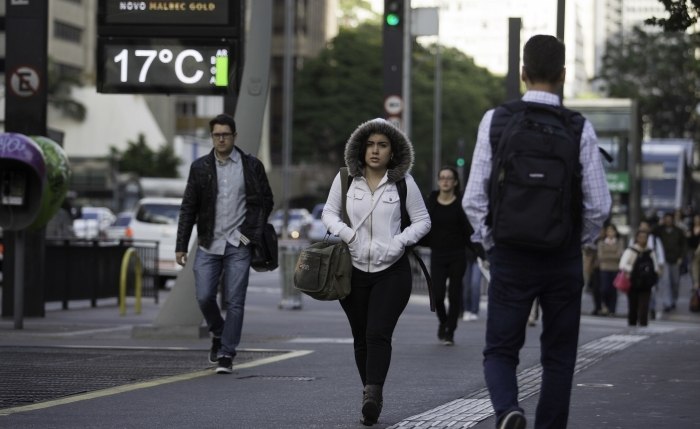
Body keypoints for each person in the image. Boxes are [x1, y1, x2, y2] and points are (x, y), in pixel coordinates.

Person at [463, 35, 611, 429]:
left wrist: (494, 241)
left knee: (500, 350)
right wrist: (575, 240)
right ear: (563, 75)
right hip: (561, 257)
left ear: (523, 73)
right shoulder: (578, 126)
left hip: (510, 254)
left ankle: (509, 410)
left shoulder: (496, 120)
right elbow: (599, 205)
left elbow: (473, 199)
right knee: (559, 356)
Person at [322, 118, 430, 426]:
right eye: (370, 144)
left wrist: (398, 243)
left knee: (377, 333)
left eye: (382, 145)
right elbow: (329, 212)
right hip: (351, 271)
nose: (375, 150)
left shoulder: (404, 182)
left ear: (392, 152)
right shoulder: (345, 179)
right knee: (360, 337)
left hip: (392, 272)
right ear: (360, 148)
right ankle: (370, 391)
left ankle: (372, 394)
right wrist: (347, 233)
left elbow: (423, 221)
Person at [175, 113, 274, 374]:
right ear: (211, 137)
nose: (221, 139)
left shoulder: (251, 166)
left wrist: (247, 235)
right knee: (205, 296)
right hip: (209, 242)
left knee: (235, 301)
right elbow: (188, 208)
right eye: (216, 135)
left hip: (238, 244)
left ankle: (227, 354)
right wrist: (181, 245)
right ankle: (218, 332)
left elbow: (265, 202)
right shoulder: (200, 167)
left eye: (225, 134)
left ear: (234, 136)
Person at [423, 166, 470, 345]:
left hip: (458, 254)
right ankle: (443, 322)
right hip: (438, 254)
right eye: (442, 177)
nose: (445, 181)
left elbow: (468, 229)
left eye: (449, 178)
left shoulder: (461, 202)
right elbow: (422, 222)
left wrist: (480, 251)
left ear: (455, 182)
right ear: (438, 181)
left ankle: (450, 331)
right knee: (438, 296)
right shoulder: (432, 201)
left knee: (455, 294)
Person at [619, 229, 660, 327]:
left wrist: (654, 276)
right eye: (640, 237)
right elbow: (622, 265)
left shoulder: (650, 252)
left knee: (644, 307)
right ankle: (632, 324)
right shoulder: (631, 250)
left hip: (646, 283)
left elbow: (656, 267)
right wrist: (632, 269)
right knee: (633, 306)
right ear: (636, 238)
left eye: (645, 237)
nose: (642, 239)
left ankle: (643, 324)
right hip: (633, 282)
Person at [653, 212, 687, 312]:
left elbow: (684, 245)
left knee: (675, 281)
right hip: (664, 259)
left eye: (669, 218)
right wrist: (659, 223)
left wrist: (681, 257)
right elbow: (652, 231)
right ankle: (667, 302)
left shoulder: (678, 231)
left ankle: (674, 300)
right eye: (666, 218)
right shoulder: (660, 230)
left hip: (676, 259)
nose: (668, 220)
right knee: (665, 281)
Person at [597, 224, 624, 316]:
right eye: (608, 231)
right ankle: (606, 305)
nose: (610, 233)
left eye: (612, 231)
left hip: (615, 268)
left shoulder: (619, 242)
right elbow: (601, 256)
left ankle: (612, 309)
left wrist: (608, 255)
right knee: (604, 288)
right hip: (604, 268)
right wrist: (613, 255)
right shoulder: (601, 242)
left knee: (614, 290)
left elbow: (619, 255)